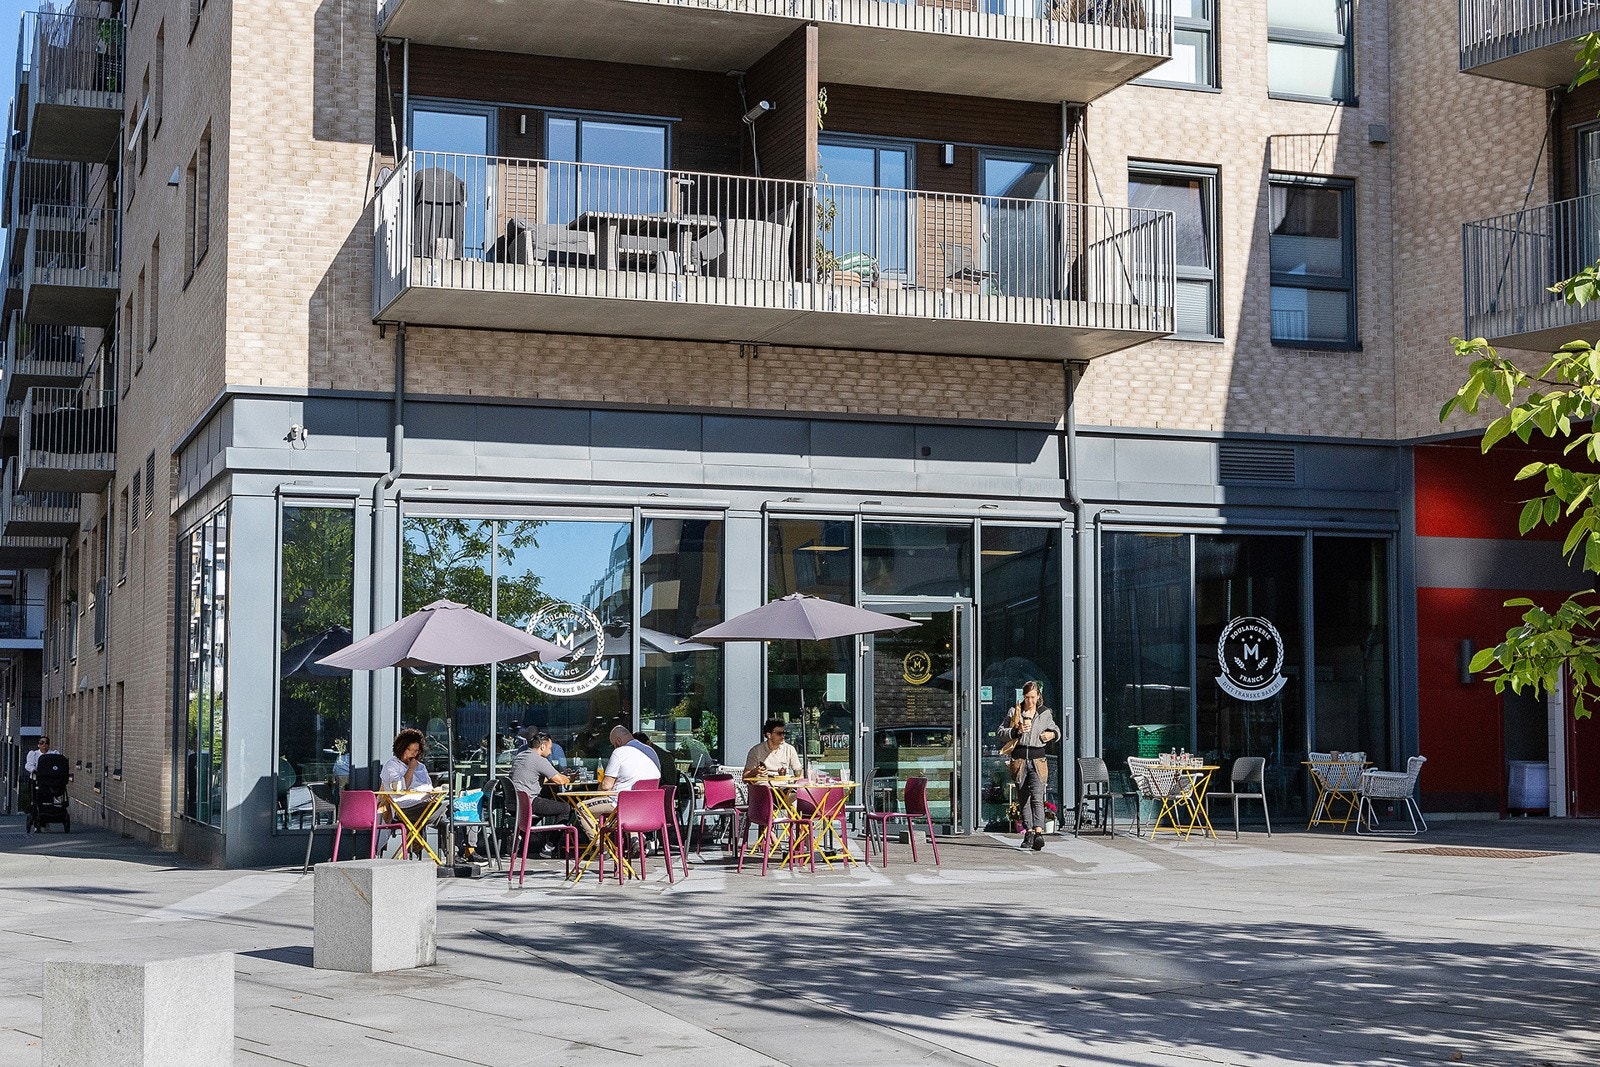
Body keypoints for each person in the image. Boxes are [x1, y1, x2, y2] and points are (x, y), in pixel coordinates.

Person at [998, 681, 1061, 851]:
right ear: (1023, 696)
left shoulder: (1045, 713)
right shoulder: (1015, 711)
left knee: (1037, 796)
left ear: (1038, 696)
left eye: (1033, 697)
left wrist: (1052, 734)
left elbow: (1056, 730)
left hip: (1038, 759)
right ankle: (1029, 832)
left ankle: (1039, 833)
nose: (1030, 701)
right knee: (1023, 798)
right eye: (1027, 697)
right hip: (1019, 759)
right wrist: (1016, 731)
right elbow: (1000, 732)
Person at [573, 725, 660, 842]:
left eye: (613, 744)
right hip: (647, 806)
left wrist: (596, 795)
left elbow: (606, 786)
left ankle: (602, 847)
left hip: (621, 804)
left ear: (618, 741)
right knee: (625, 809)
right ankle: (636, 839)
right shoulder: (650, 751)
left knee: (581, 808)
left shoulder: (619, 752)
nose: (613, 747)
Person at [378, 728, 443, 856]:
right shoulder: (392, 765)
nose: (413, 754)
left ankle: (457, 852)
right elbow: (401, 789)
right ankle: (461, 852)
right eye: (410, 750)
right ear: (401, 748)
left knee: (451, 812)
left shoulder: (421, 767)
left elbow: (428, 786)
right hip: (404, 808)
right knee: (451, 813)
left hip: (424, 803)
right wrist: (411, 769)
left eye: (416, 751)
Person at [510, 730, 574, 858]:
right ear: (542, 746)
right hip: (528, 803)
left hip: (514, 803)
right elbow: (560, 781)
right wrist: (570, 778)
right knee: (566, 809)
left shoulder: (520, 756)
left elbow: (532, 776)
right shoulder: (539, 760)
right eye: (550, 748)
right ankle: (548, 848)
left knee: (548, 801)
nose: (550, 752)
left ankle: (519, 837)